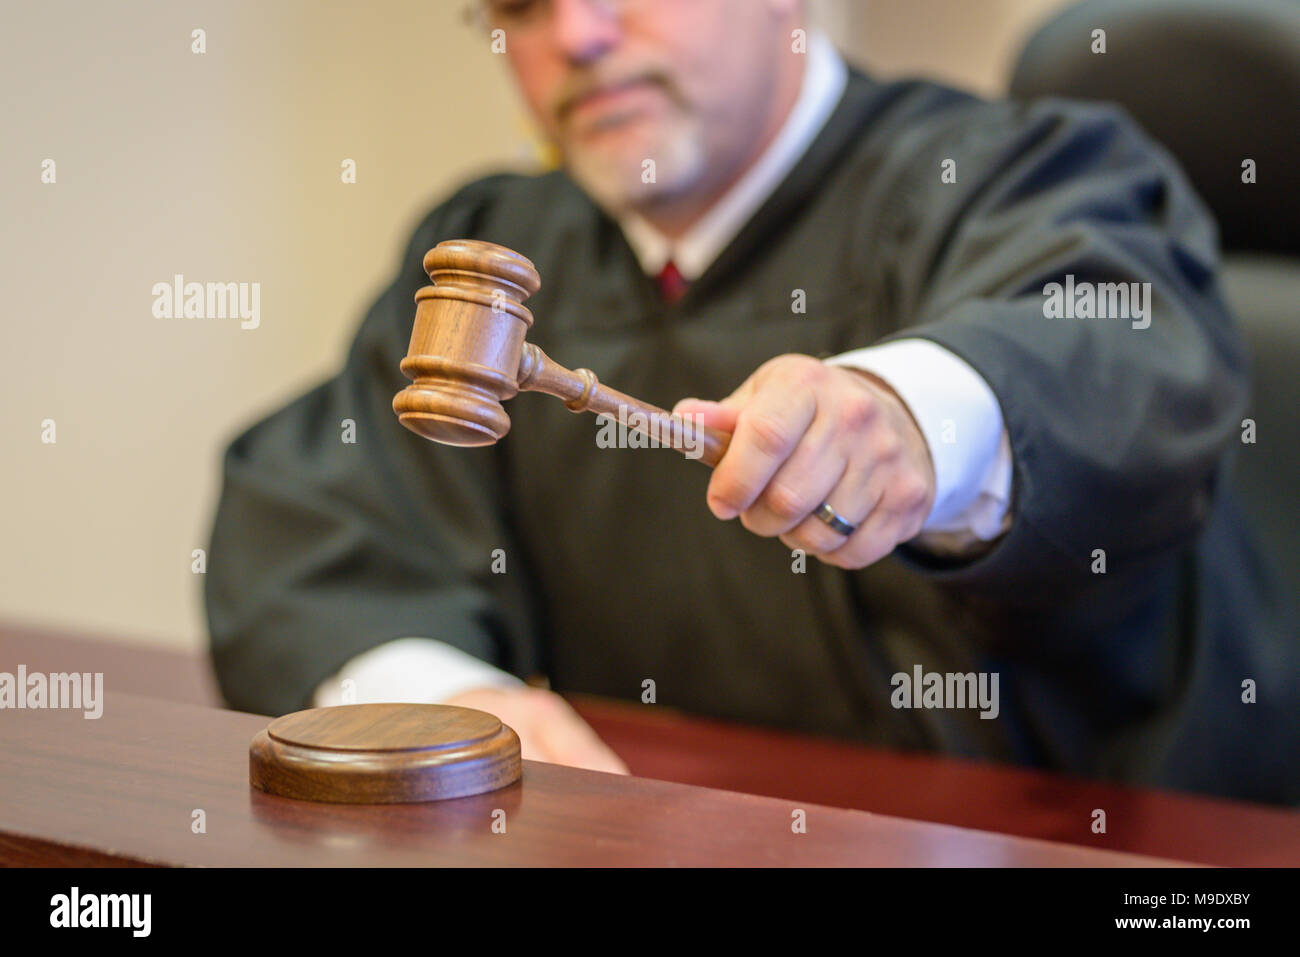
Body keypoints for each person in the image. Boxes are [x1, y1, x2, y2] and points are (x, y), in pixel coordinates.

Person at [205, 0, 1299, 803]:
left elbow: (1114, 350)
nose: (575, 36)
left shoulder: (1024, 170)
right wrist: (453, 709)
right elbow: (320, 527)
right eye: (520, 7)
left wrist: (913, 416)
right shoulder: (496, 243)